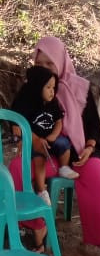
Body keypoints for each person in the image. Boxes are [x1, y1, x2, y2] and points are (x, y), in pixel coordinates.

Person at [9, 36, 100, 256]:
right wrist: (27, 137)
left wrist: (90, 147)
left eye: (50, 63)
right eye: (39, 63)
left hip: (79, 154)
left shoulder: (80, 88)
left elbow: (93, 125)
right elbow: (16, 119)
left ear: (61, 62)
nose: (44, 69)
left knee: (99, 178)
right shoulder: (31, 88)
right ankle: (34, 228)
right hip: (46, 155)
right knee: (16, 169)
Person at [11, 65, 79, 206]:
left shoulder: (52, 103)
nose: (52, 91)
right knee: (39, 155)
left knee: (64, 144)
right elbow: (18, 127)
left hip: (50, 139)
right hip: (34, 141)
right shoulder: (26, 103)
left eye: (53, 88)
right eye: (48, 87)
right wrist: (30, 139)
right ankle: (41, 190)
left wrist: (53, 136)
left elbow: (58, 122)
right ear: (37, 87)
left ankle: (64, 167)